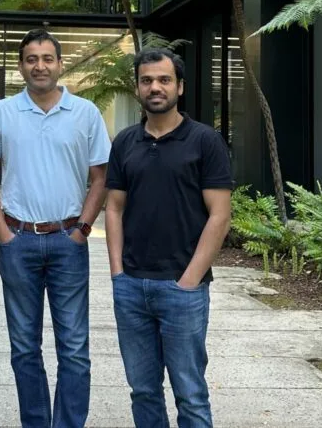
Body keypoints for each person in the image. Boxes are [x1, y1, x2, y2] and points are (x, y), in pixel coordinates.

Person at [0, 29, 111, 428]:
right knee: (24, 348)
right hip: (17, 242)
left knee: (73, 348)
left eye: (47, 58)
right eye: (32, 59)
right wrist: (2, 232)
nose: (40, 66)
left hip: (69, 241)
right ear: (21, 65)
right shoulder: (1, 113)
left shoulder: (85, 113)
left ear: (59, 63)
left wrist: (83, 230)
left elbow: (101, 178)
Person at [105, 47, 233, 428]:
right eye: (147, 81)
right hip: (131, 286)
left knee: (190, 394)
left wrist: (189, 280)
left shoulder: (205, 141)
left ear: (180, 87)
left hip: (183, 291)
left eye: (163, 80)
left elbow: (220, 215)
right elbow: (113, 208)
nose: (155, 87)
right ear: (137, 88)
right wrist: (117, 273)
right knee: (142, 391)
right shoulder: (125, 142)